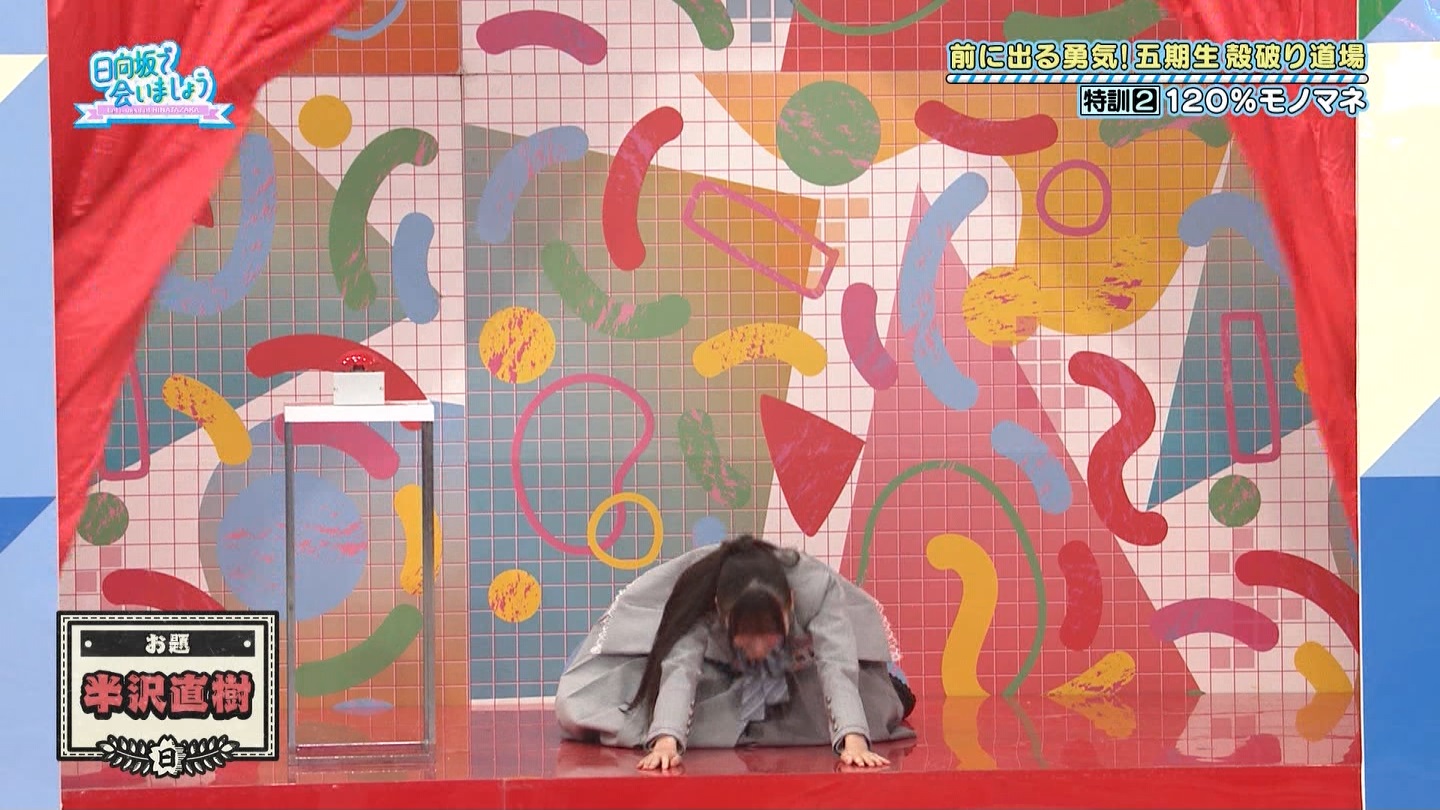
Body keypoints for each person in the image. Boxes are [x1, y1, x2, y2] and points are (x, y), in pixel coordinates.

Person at [556, 535, 917, 771]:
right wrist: (666, 740)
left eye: (767, 636)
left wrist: (853, 740)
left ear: (790, 604)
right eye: (748, 638)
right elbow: (681, 669)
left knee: (870, 714)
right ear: (720, 610)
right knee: (592, 709)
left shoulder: (816, 587)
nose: (757, 649)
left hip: (793, 665)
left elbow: (836, 665)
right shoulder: (700, 594)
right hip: (714, 669)